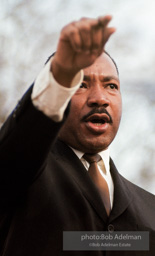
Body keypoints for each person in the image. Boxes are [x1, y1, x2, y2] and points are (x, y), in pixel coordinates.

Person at [0, 15, 154, 256]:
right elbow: (19, 146)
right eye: (81, 84)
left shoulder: (150, 209)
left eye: (111, 86)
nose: (100, 98)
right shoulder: (23, 174)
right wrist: (60, 75)